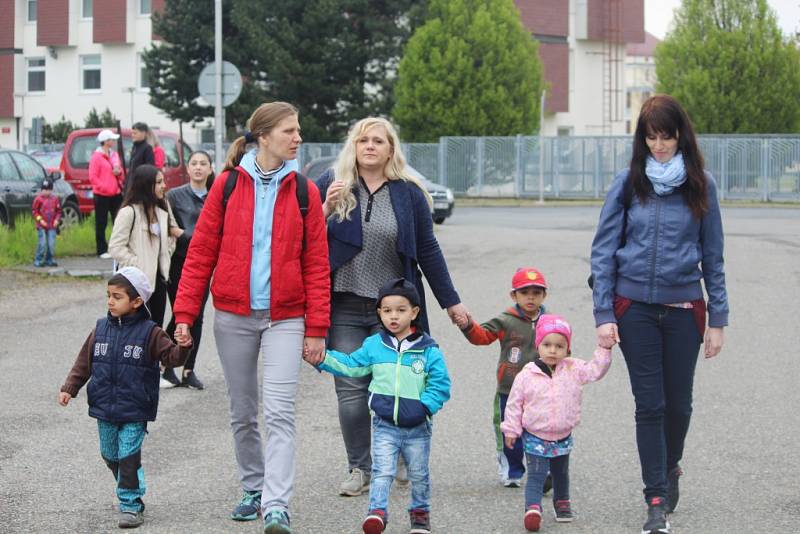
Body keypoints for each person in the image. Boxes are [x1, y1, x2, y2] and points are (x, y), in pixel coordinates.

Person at [172, 101, 330, 534]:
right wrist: (184, 313)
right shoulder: (227, 185)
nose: (298, 137)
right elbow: (200, 253)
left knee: (279, 411)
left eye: (298, 130)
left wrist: (316, 327)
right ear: (264, 136)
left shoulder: (304, 191)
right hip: (233, 315)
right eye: (289, 131)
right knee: (243, 410)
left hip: (285, 317)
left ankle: (277, 505)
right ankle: (253, 487)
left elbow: (317, 263)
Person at [590, 94, 728, 534]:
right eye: (651, 137)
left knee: (679, 407)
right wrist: (604, 313)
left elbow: (714, 256)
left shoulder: (701, 184)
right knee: (649, 406)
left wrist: (719, 319)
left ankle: (671, 466)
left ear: (680, 134)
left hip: (685, 311)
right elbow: (603, 251)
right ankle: (655, 499)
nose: (660, 145)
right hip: (635, 312)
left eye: (666, 135)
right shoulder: (629, 183)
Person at [317, 117, 469, 497]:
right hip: (344, 305)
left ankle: (399, 453)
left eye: (378, 141)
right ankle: (359, 467)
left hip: (395, 312)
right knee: (351, 389)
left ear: (390, 149)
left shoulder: (408, 194)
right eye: (363, 140)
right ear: (354, 146)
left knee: (402, 385)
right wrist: (324, 209)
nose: (370, 146)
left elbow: (428, 251)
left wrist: (451, 302)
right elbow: (305, 243)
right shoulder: (332, 185)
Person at [311, 278, 450, 534]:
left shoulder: (428, 350)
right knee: (382, 471)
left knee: (418, 474)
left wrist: (425, 407)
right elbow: (352, 365)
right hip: (384, 423)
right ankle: (377, 512)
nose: (393, 317)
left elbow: (440, 385)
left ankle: (420, 515)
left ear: (414, 312)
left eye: (400, 310)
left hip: (418, 427)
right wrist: (324, 358)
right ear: (380, 313)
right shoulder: (375, 346)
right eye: (387, 311)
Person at [58, 266, 191, 529]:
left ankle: (130, 504)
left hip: (135, 408)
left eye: (117, 296)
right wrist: (69, 388)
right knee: (110, 454)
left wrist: (183, 347)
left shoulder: (150, 333)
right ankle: (132, 488)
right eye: (108, 295)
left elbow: (171, 358)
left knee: (128, 455)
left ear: (137, 301)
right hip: (104, 406)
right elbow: (83, 363)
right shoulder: (100, 329)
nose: (110, 301)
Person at [501, 315, 612, 532]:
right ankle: (532, 509)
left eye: (559, 346)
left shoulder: (573, 368)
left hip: (563, 434)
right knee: (536, 474)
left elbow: (595, 370)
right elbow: (514, 404)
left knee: (561, 472)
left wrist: (604, 348)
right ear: (538, 346)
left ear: (567, 349)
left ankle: (562, 502)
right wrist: (511, 429)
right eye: (547, 345)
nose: (553, 350)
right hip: (535, 435)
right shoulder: (527, 375)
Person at [455, 267, 550, 488]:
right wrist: (467, 325)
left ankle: (543, 472)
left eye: (537, 292)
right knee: (510, 432)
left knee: (541, 432)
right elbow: (482, 337)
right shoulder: (506, 320)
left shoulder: (550, 322)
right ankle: (512, 469)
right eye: (525, 292)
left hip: (542, 391)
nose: (531, 297)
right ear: (513, 295)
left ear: (544, 295)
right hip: (510, 389)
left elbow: (563, 349)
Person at [108, 164, 182, 333]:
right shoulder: (129, 212)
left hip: (160, 280)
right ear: (146, 185)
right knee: (136, 331)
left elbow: (172, 234)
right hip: (136, 283)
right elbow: (116, 247)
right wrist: (137, 265)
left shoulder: (163, 208)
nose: (164, 186)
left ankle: (154, 361)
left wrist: (166, 254)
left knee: (155, 330)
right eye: (159, 182)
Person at [163, 150, 215, 389]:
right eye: (194, 163)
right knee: (180, 314)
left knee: (198, 318)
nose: (198, 167)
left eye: (203, 164)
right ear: (188, 168)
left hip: (205, 264)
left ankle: (189, 369)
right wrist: (191, 238)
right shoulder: (175, 196)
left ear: (210, 169)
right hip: (180, 262)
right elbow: (171, 229)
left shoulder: (215, 196)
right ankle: (166, 363)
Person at [89, 128, 124, 259]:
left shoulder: (114, 155)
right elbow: (93, 177)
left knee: (119, 221)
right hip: (102, 195)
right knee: (101, 222)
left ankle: (117, 247)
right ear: (105, 141)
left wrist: (118, 173)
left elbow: (120, 172)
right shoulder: (96, 157)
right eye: (111, 139)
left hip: (116, 193)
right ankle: (101, 249)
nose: (113, 141)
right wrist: (104, 187)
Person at [31, 178, 61, 267]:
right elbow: (34, 211)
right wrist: (40, 220)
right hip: (41, 225)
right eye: (44, 189)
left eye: (48, 190)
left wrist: (57, 220)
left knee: (51, 244)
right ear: (41, 189)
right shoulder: (38, 199)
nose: (46, 192)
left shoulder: (55, 199)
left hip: (52, 225)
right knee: (42, 243)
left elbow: (58, 211)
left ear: (51, 190)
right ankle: (38, 259)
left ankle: (49, 259)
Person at [126, 122, 155, 191]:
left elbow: (149, 169)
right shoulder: (134, 147)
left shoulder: (147, 148)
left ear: (144, 133)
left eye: (135, 133)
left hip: (140, 186)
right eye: (132, 133)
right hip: (131, 184)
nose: (132, 135)